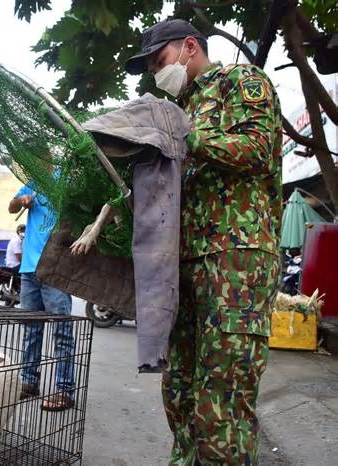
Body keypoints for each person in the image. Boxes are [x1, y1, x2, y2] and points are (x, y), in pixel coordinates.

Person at [125, 19, 282, 465]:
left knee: (223, 394)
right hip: (187, 263)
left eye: (160, 61)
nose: (158, 74)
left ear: (189, 47)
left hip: (237, 259)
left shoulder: (241, 80)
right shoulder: (182, 107)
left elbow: (259, 149)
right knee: (179, 388)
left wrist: (185, 135)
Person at [9, 187, 75, 412]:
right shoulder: (32, 181)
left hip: (56, 267)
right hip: (29, 269)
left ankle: (64, 388)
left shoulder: (67, 180)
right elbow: (11, 207)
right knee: (31, 330)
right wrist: (21, 200)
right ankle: (28, 381)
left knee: (62, 331)